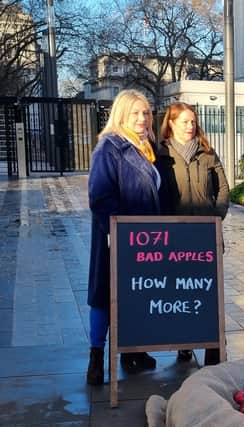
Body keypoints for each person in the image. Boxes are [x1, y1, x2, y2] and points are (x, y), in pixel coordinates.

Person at [86, 89, 160, 385]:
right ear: (121, 115)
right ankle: (96, 357)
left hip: (146, 240)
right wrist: (120, 233)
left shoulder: (149, 147)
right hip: (115, 238)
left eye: (146, 113)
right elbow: (99, 197)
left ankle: (133, 351)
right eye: (136, 113)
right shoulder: (110, 147)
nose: (142, 118)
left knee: (138, 294)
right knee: (104, 295)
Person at [156, 102, 229, 366]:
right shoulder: (159, 154)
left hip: (206, 235)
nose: (190, 126)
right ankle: (184, 344)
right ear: (171, 123)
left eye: (193, 121)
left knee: (208, 291)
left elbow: (223, 189)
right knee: (181, 292)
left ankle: (214, 348)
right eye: (185, 121)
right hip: (175, 236)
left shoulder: (207, 153)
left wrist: (215, 215)